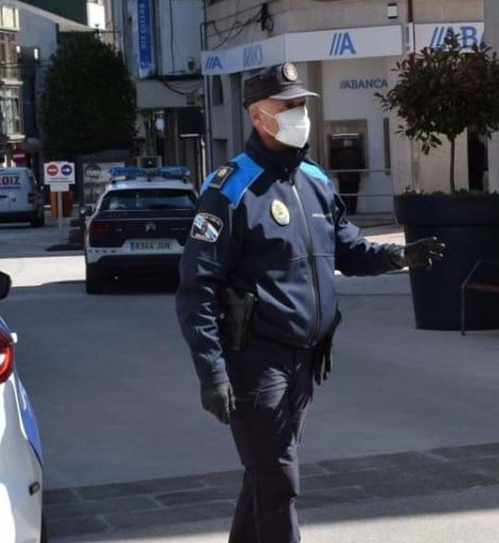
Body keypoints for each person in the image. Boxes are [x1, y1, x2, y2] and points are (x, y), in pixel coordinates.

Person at [175, 63, 445, 543]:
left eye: (302, 104)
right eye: (288, 106)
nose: (300, 114)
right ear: (259, 117)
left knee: (265, 474)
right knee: (279, 482)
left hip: (305, 357)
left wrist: (397, 257)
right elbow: (197, 287)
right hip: (256, 360)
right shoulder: (230, 189)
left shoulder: (315, 180)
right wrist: (211, 372)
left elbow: (348, 250)